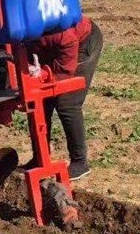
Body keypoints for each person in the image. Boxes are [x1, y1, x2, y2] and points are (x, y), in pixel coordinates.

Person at [24, 17, 103, 180]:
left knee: (67, 101)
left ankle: (80, 163)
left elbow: (68, 41)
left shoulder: (49, 27)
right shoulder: (6, 32)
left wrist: (56, 77)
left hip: (80, 42)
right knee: (38, 101)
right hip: (48, 48)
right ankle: (40, 159)